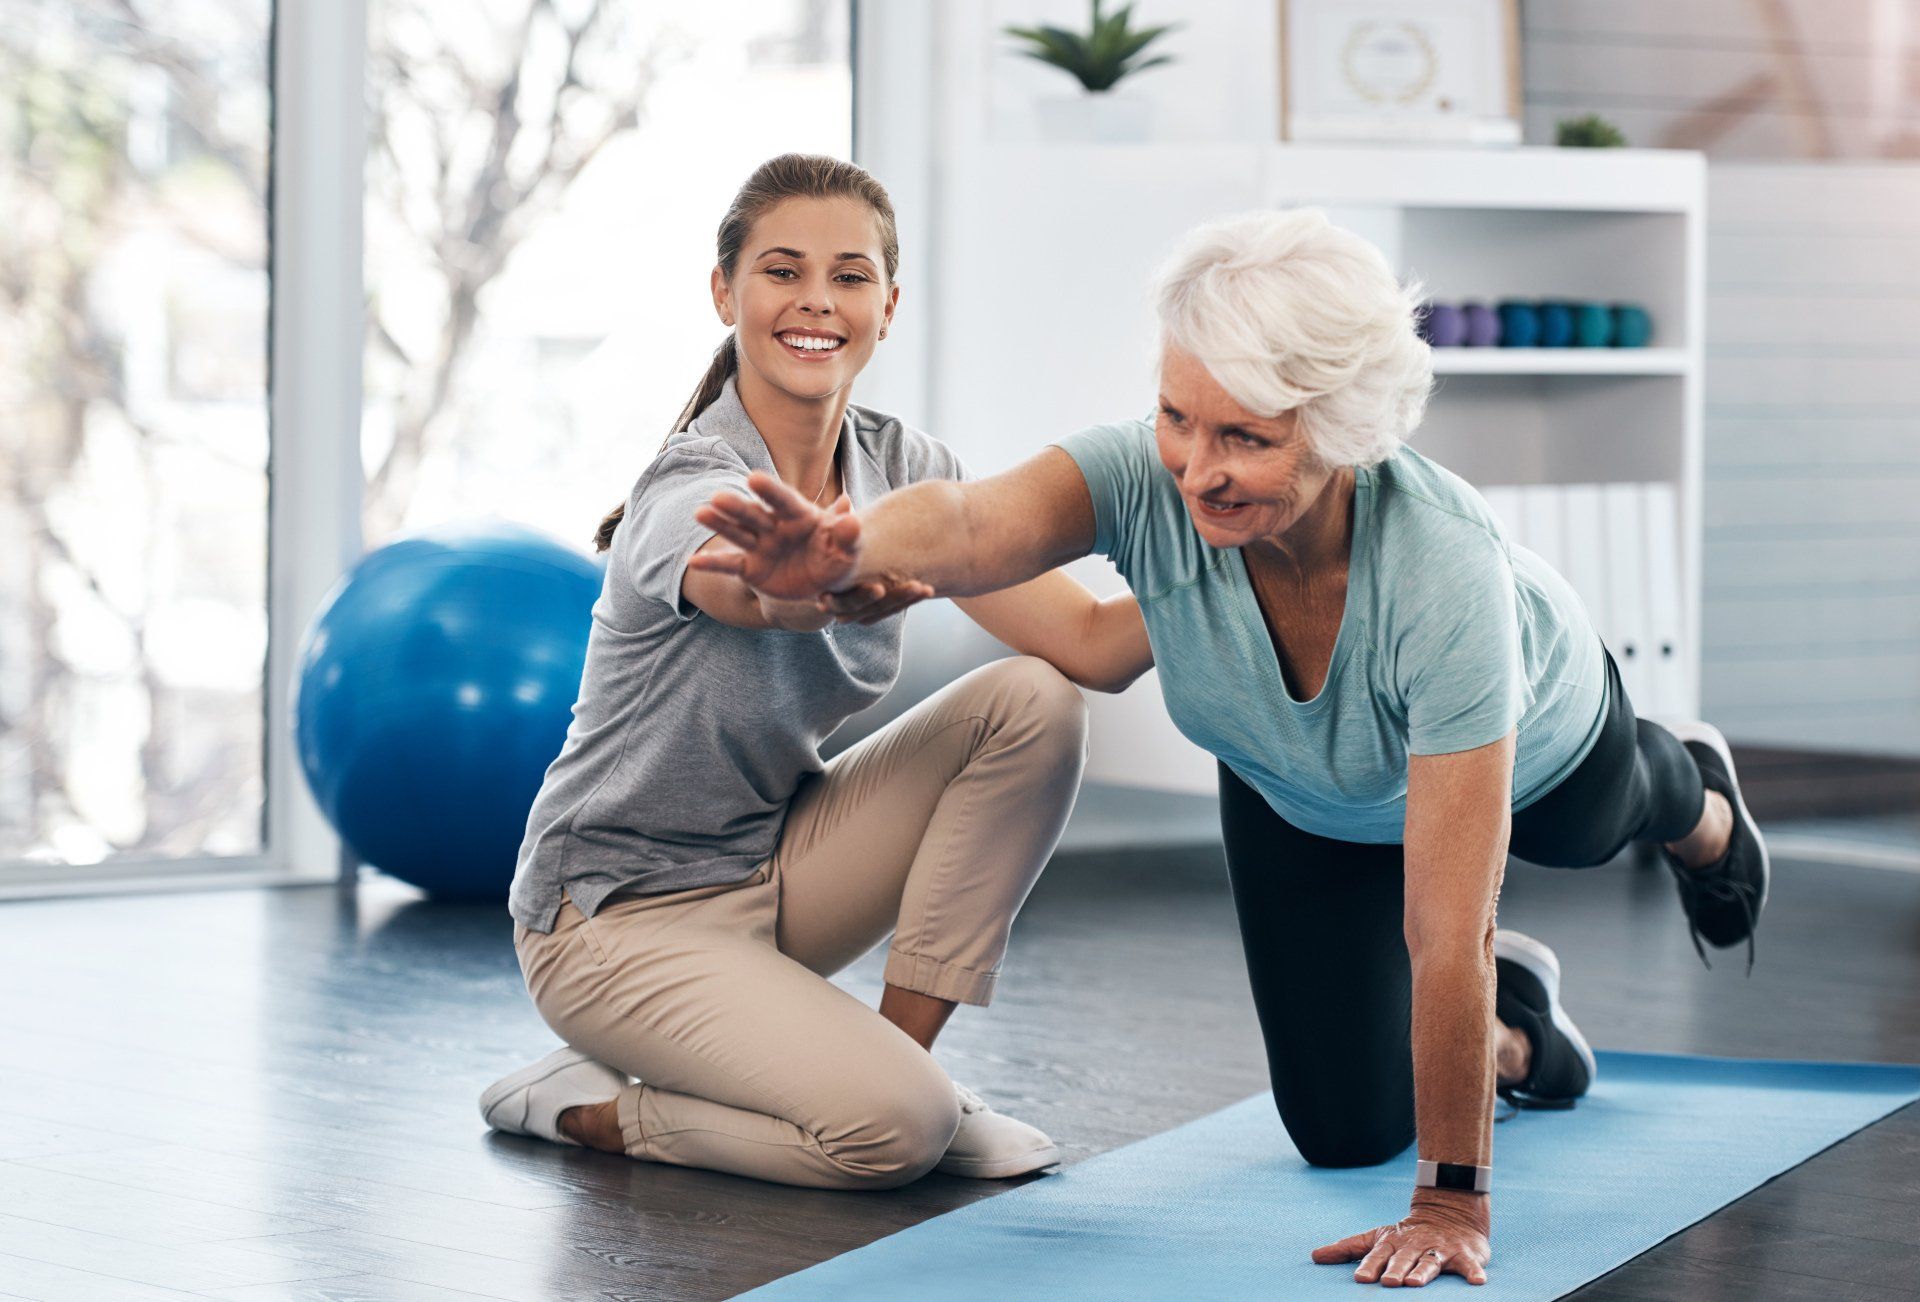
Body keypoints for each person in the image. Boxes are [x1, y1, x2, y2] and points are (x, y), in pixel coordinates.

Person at [690, 206, 1770, 1287]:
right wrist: (843, 550)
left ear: (1346, 431)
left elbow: (1448, 932)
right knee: (1344, 1132)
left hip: (1541, 748)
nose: (1196, 469)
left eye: (1247, 438)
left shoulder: (1445, 578)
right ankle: (1517, 1037)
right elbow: (977, 526)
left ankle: (1701, 795)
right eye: (1177, 417)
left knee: (1602, 820)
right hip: (1300, 788)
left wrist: (1452, 1201)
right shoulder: (1146, 481)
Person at [478, 154, 1151, 1191]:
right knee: (889, 1140)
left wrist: (1247, 552)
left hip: (773, 869)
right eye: (782, 271)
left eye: (848, 276)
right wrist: (809, 586)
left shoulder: (909, 470)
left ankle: (899, 1065)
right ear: (725, 292)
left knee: (1034, 701)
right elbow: (751, 591)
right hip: (611, 919)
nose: (816, 303)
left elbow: (1095, 648)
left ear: (888, 303)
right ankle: (596, 1110)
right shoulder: (691, 482)